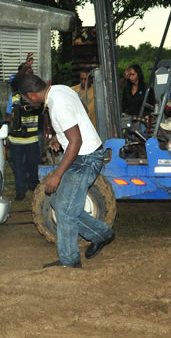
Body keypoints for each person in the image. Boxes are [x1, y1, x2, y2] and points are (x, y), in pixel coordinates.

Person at [17, 73, 115, 269]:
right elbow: (81, 112)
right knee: (58, 202)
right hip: (82, 155)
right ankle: (102, 234)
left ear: (32, 95)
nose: (27, 102)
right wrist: (60, 137)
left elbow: (76, 141)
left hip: (85, 159)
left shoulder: (57, 106)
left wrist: (57, 174)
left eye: (26, 99)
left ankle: (70, 261)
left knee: (65, 211)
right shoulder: (60, 89)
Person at [6, 68, 41, 200]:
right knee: (18, 166)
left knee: (33, 165)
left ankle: (33, 185)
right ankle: (20, 190)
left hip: (32, 138)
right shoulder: (13, 97)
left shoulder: (34, 97)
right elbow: (8, 115)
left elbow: (43, 111)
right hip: (16, 139)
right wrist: (7, 131)